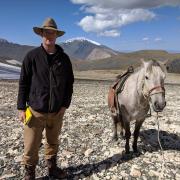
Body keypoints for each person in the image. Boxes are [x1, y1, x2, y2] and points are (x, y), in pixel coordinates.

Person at [17, 17, 74, 179]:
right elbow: (23, 83)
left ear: (57, 36)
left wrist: (65, 105)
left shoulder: (64, 59)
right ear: (41, 34)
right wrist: (21, 107)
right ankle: (30, 173)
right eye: (46, 33)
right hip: (35, 111)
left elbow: (69, 83)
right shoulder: (32, 56)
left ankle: (52, 168)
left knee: (53, 142)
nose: (49, 36)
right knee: (31, 145)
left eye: (52, 33)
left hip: (57, 111)